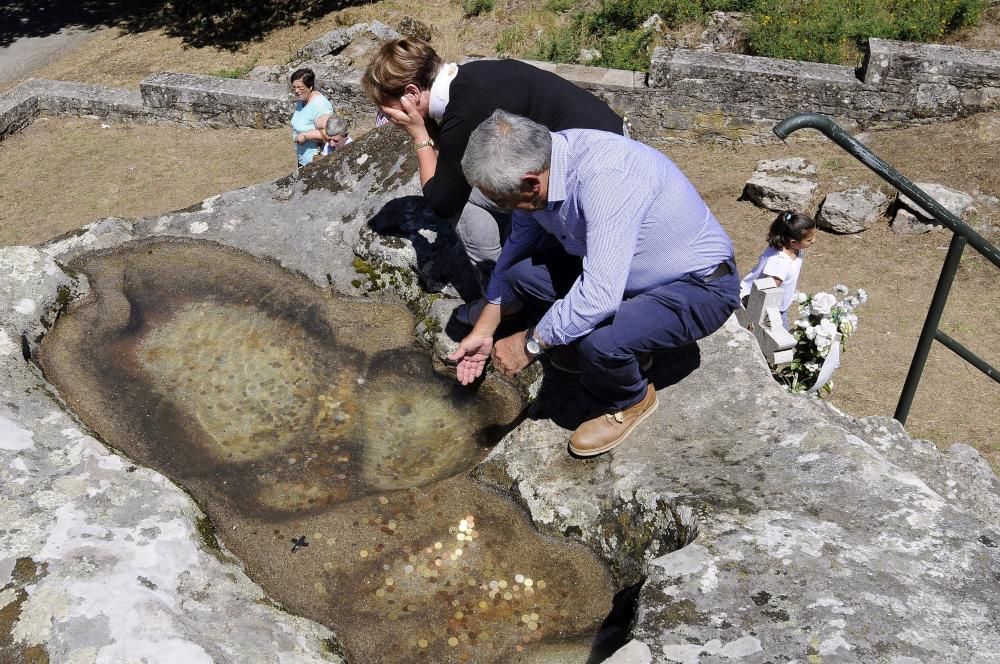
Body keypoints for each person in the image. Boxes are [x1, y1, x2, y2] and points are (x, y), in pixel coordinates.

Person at [449, 110, 740, 457]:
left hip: (697, 286)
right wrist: (485, 327)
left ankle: (630, 399)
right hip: (628, 277)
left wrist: (529, 345)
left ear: (531, 184)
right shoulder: (547, 162)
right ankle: (628, 341)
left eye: (502, 201)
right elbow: (515, 250)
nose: (505, 208)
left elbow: (600, 296)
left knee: (600, 345)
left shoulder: (605, 178)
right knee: (521, 274)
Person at [361, 37, 625, 307]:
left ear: (412, 94)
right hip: (612, 145)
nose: (388, 118)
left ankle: (500, 296)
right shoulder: (473, 77)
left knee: (464, 199)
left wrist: (419, 134)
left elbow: (441, 199)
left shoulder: (465, 111)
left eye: (387, 109)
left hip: (596, 181)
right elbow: (451, 155)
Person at [738, 211, 817, 328]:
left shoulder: (788, 245)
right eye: (809, 240)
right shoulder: (780, 265)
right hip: (763, 305)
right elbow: (765, 292)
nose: (814, 241)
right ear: (793, 242)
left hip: (778, 303)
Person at [289, 68, 334, 168]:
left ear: (310, 87)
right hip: (303, 160)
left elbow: (329, 133)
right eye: (294, 87)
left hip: (315, 162)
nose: (296, 91)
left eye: (300, 87)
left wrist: (305, 136)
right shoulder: (303, 101)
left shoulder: (320, 105)